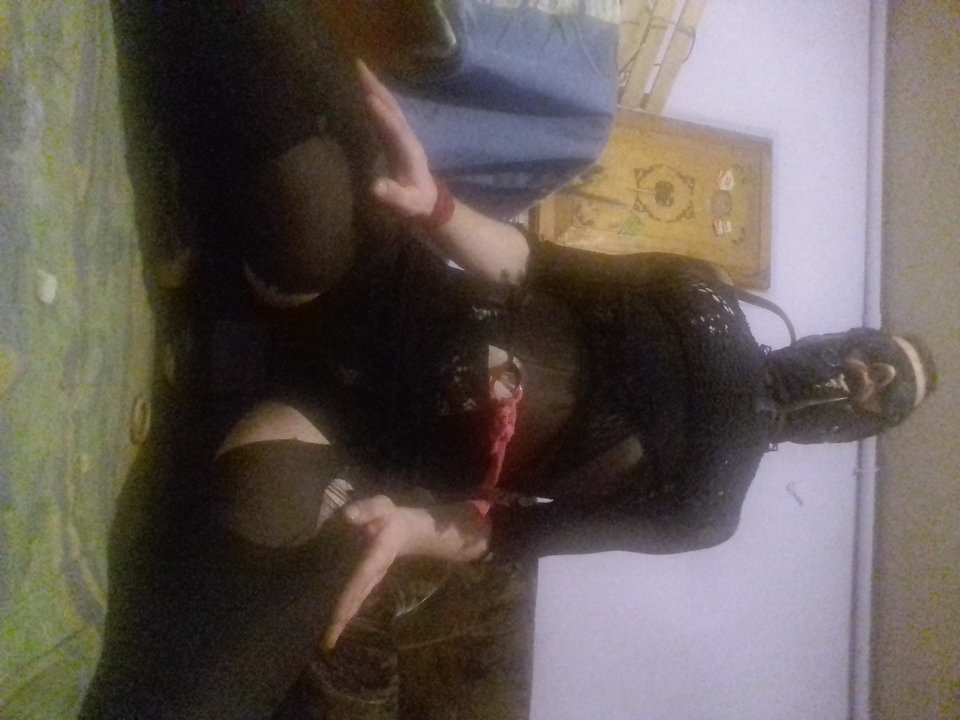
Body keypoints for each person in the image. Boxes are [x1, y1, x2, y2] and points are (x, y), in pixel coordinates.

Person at [85, 4, 937, 718]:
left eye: (888, 397)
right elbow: (533, 264)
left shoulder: (707, 509)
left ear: (857, 432)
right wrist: (435, 203)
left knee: (228, 638)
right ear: (847, 336)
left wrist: (409, 529)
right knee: (292, 98)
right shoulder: (700, 290)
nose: (868, 378)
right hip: (367, 287)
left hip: (362, 444)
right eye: (878, 356)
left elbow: (507, 534)